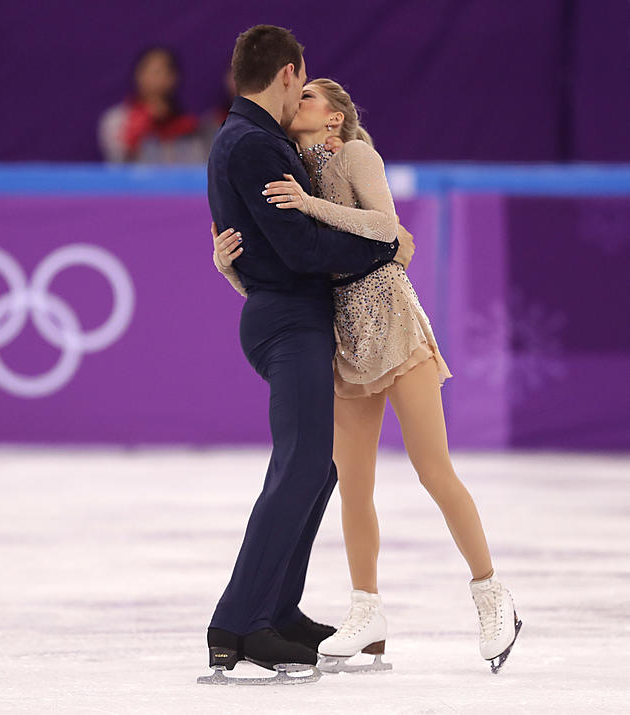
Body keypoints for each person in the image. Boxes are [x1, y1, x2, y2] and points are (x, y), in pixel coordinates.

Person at [211, 78, 522, 674]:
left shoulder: (355, 153)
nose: (293, 103)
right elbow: (297, 267)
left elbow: (386, 227)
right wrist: (231, 269)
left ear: (333, 118)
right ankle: (367, 609)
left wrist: (309, 206)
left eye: (307, 98)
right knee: (352, 483)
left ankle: (491, 595)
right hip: (345, 340)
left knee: (433, 468)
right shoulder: (292, 166)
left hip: (393, 323)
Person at [198, 25, 413, 685]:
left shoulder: (247, 139)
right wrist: (383, 247)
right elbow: (299, 250)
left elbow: (270, 241)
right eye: (305, 81)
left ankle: (279, 609)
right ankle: (238, 624)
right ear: (289, 74)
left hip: (294, 315)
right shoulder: (256, 145)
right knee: (300, 465)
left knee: (317, 468)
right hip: (288, 317)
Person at [98, 46, 203, 164]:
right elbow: (117, 160)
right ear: (138, 75)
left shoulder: (189, 125)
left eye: (165, 71)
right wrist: (142, 125)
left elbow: (198, 165)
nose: (158, 79)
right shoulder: (116, 119)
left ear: (175, 78)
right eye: (152, 72)